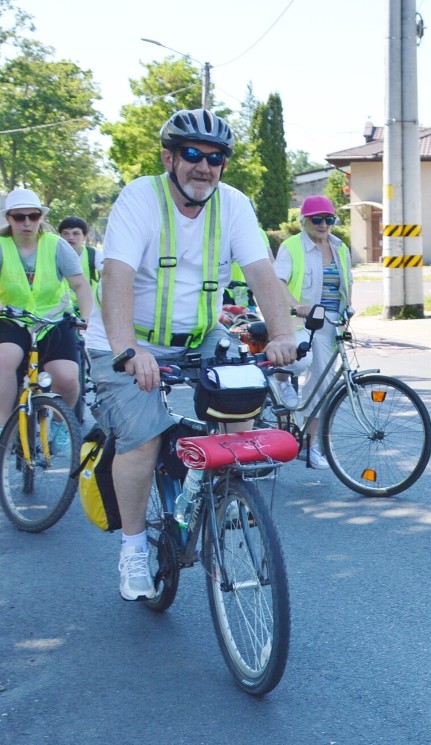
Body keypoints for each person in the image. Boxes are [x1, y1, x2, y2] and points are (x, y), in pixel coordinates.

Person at [84, 108, 299, 601]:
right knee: (141, 442)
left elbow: (262, 273)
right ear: (169, 157)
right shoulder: (141, 198)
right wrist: (126, 350)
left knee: (240, 423)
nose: (204, 166)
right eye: (192, 154)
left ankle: (218, 498)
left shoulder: (234, 205)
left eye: (216, 157)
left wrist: (282, 334)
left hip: (200, 337)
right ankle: (134, 550)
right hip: (126, 339)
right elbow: (113, 277)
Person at [0, 189, 93, 433]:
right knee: (4, 359)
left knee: (68, 377)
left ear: (41, 217)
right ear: (9, 219)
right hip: (12, 321)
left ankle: (62, 427)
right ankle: (3, 426)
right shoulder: (1, 246)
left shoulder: (56, 245)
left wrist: (85, 318)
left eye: (33, 215)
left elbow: (81, 285)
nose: (27, 222)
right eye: (19, 217)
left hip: (52, 320)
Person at [273, 195, 353, 469]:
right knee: (309, 367)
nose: (323, 225)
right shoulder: (291, 247)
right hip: (300, 321)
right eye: (316, 219)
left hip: (331, 322)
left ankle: (307, 444)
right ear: (303, 221)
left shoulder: (340, 247)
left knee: (322, 384)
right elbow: (277, 282)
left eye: (328, 219)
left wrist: (347, 314)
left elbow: (346, 284)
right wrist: (297, 306)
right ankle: (281, 379)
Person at [58, 216, 102, 293]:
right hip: (63, 304)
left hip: (89, 303)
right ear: (60, 236)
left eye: (76, 234)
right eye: (66, 233)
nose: (70, 237)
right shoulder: (53, 254)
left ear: (84, 237)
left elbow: (108, 277)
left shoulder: (94, 254)